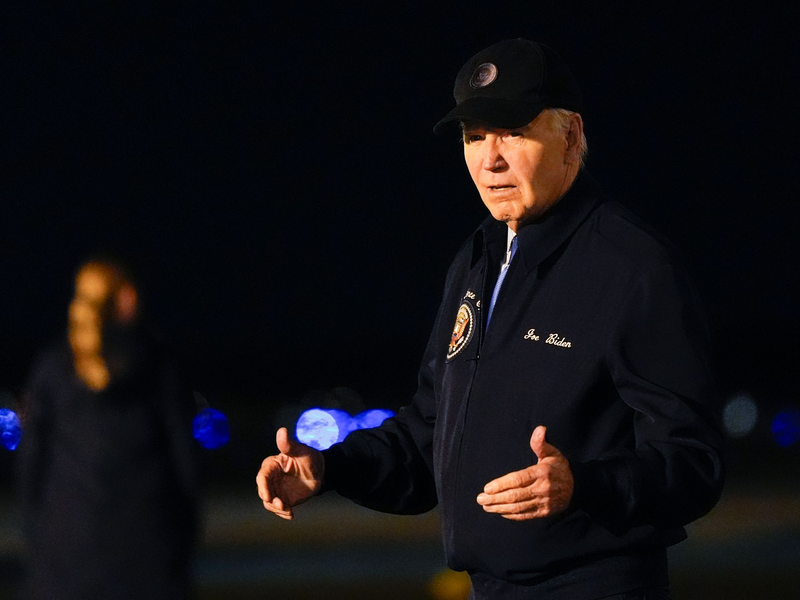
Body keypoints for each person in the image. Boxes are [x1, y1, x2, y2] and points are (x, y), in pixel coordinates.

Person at [256, 38, 726, 600]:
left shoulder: (633, 269)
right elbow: (427, 438)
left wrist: (584, 485)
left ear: (571, 135)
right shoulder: (476, 261)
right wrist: (331, 469)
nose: (490, 159)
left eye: (513, 132)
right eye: (474, 136)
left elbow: (694, 463)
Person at [18, 257, 202, 600]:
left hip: (65, 563)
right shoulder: (159, 365)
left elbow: (30, 468)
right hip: (149, 560)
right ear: (121, 299)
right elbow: (186, 465)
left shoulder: (51, 368)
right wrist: (183, 545)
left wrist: (39, 543)